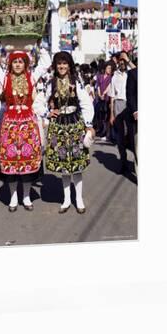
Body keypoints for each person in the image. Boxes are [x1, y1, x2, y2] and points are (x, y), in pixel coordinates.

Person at [0, 46, 51, 211]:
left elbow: (46, 62)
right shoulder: (5, 78)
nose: (17, 64)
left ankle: (27, 197)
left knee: (27, 162)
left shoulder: (32, 77)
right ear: (10, 63)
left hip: (28, 124)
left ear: (26, 63)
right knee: (11, 163)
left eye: (20, 61)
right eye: (14, 61)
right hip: (10, 125)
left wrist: (37, 46)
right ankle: (14, 197)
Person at [44, 51, 94, 213]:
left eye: (65, 63)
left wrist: (88, 124)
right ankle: (66, 200)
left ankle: (78, 199)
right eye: (59, 63)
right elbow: (40, 101)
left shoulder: (76, 81)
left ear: (69, 65)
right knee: (64, 167)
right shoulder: (50, 83)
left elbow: (86, 103)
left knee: (77, 166)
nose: (62, 66)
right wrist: (47, 113)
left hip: (75, 125)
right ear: (55, 66)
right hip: (58, 126)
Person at [109, 56, 130, 173]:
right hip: (118, 104)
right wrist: (112, 114)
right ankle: (123, 162)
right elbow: (112, 96)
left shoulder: (131, 73)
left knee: (130, 136)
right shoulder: (115, 76)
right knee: (120, 136)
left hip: (129, 105)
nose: (122, 63)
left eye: (124, 60)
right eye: (120, 61)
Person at [126, 63, 138, 175]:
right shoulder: (133, 73)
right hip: (138, 117)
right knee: (138, 148)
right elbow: (130, 95)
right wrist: (135, 110)